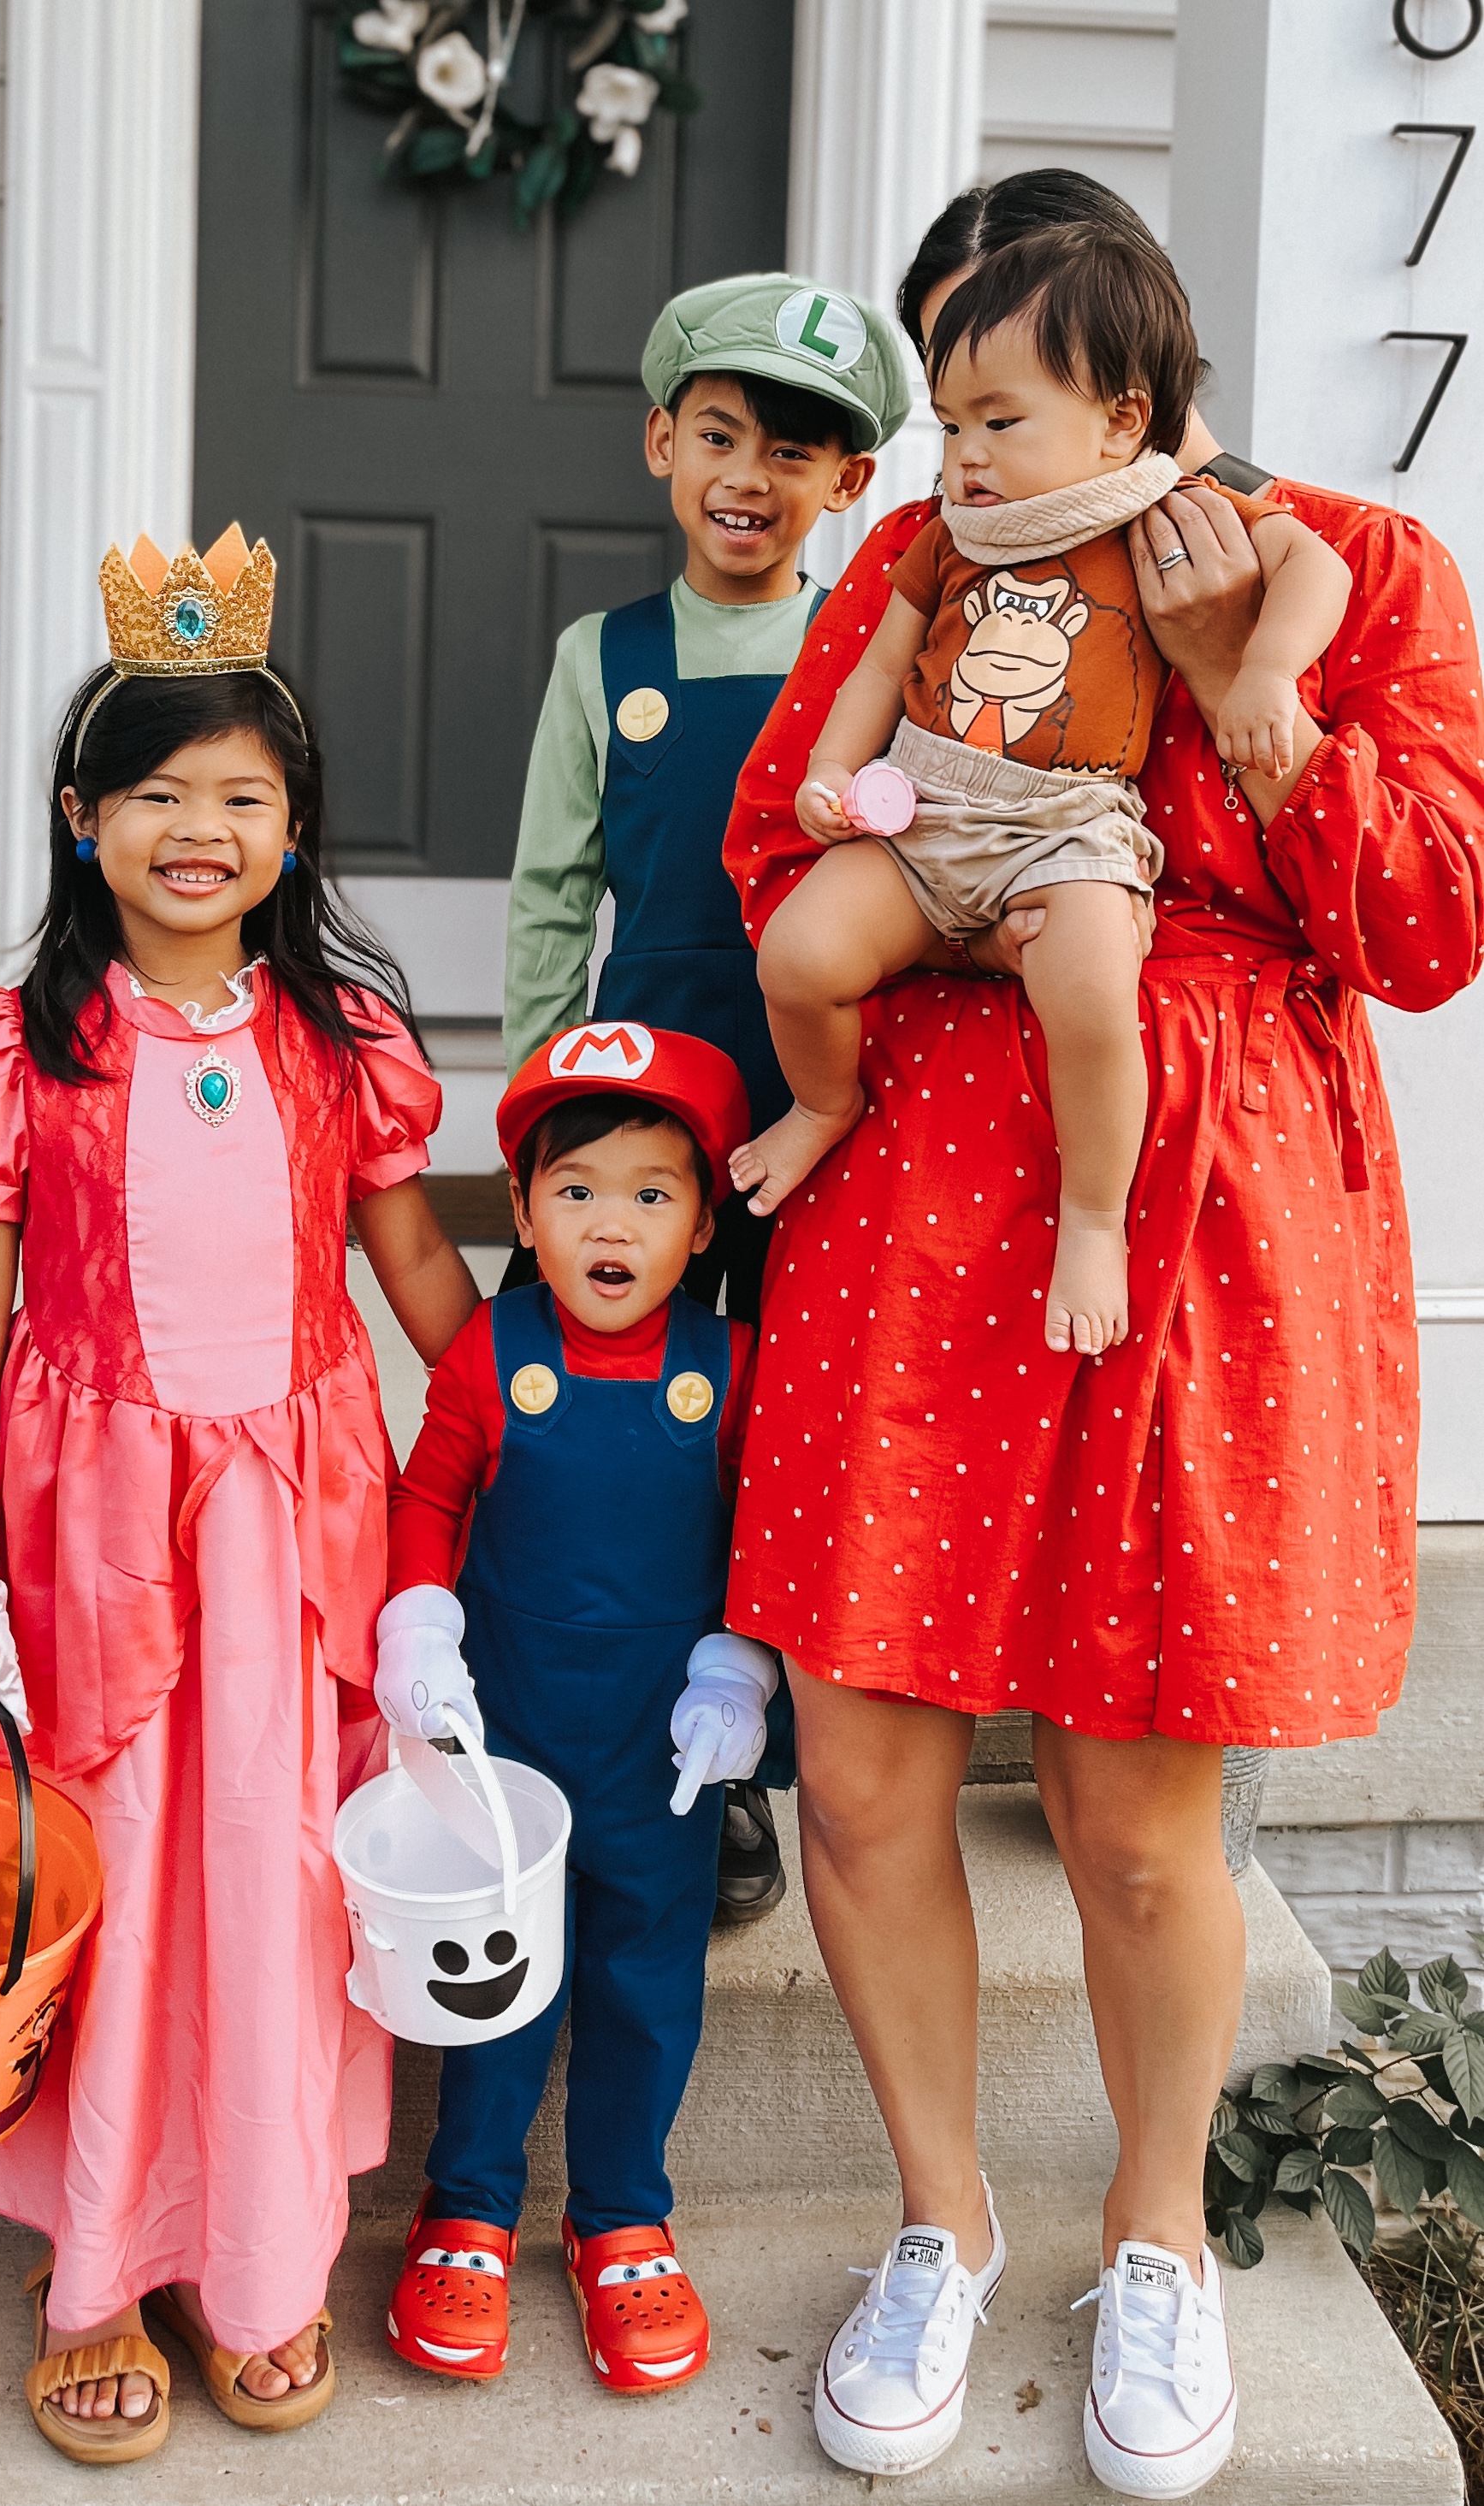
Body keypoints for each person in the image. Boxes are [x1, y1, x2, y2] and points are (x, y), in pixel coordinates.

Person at [717, 169, 1484, 2497]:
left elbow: (1423, 927)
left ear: (1121, 382)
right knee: (862, 1775)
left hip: (1203, 1227)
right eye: (942, 389)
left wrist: (1254, 697)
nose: (957, 435)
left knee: (1135, 1814)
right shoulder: (925, 551)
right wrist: (985, 890)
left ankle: (1151, 2235)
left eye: (996, 383)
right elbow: (779, 842)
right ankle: (939, 2221)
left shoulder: (1359, 564)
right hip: (911, 1213)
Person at [0, 525, 481, 2464]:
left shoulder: (336, 1042)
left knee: (268, 1871)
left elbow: (409, 1263)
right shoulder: (20, 1045)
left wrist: (516, 1419)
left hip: (287, 1533)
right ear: (83, 820)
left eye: (241, 796)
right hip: (91, 1533)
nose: (198, 830)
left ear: (294, 829)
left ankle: (255, 2251)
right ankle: (102, 2269)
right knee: (124, 1868)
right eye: (156, 793)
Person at [732, 223, 1352, 1364]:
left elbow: (1319, 564)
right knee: (800, 955)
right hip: (927, 808)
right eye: (950, 425)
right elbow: (875, 669)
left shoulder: (1160, 508)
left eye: (1000, 422)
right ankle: (822, 1104)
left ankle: (1094, 1220)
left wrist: (1266, 672)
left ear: (1120, 419)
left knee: (1093, 1000)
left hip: (1066, 825)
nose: (966, 454)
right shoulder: (946, 538)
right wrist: (830, 772)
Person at [502, 270, 911, 1923]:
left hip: (831, 1099)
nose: (750, 477)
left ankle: (755, 1746)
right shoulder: (601, 657)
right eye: (721, 435)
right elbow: (552, 892)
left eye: (793, 452)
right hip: (652, 1101)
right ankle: (598, 1710)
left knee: (786, 1416)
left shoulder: (868, 650)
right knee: (638, 1404)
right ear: (661, 443)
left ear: (848, 484)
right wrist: (542, 1107)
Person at [373, 1025, 778, 2394]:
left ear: (703, 1220)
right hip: (509, 1739)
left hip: (660, 1752)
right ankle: (467, 2202)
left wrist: (738, 1668)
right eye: (577, 1189)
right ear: (525, 1210)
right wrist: (417, 1627)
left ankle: (620, 2213)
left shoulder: (731, 1366)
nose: (613, 1223)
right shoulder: (489, 1353)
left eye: (652, 1193)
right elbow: (429, 1496)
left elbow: (765, 1535)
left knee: (644, 1979)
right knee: (493, 1977)